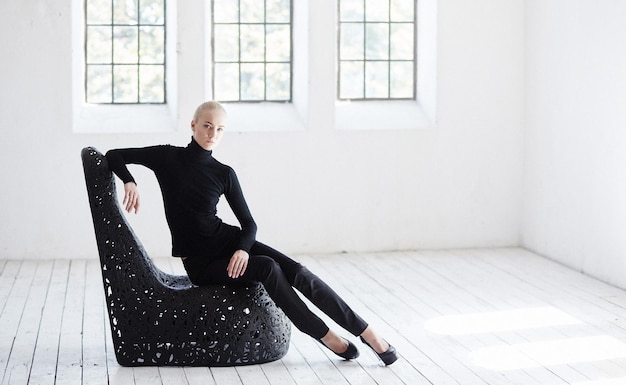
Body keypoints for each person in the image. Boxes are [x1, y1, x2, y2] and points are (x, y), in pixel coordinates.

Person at [105, 101, 398, 365]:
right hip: (201, 263)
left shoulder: (223, 173)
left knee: (299, 272)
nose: (212, 133)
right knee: (268, 268)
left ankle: (367, 332)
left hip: (231, 242)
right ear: (193, 125)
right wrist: (129, 181)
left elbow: (249, 225)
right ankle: (324, 335)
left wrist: (243, 249)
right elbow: (114, 155)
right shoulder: (168, 157)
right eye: (207, 126)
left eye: (220, 128)